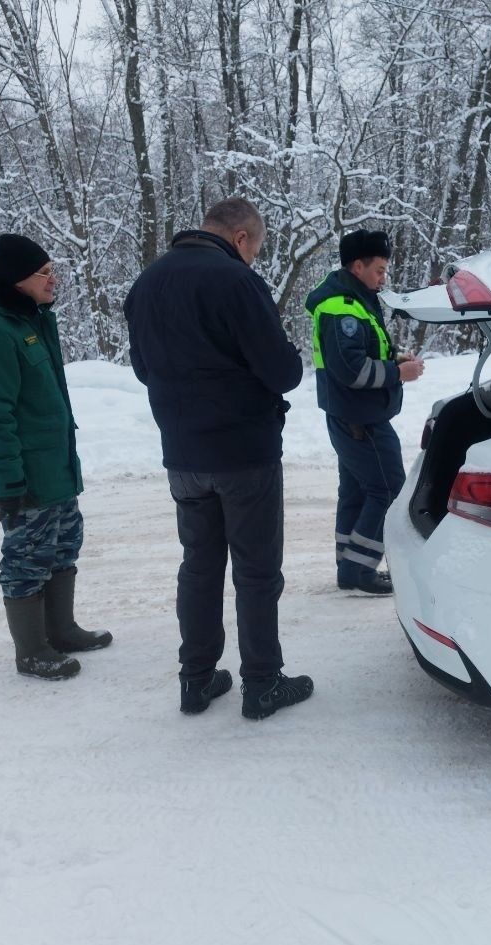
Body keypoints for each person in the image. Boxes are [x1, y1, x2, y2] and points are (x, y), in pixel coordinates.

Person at [124, 198, 313, 720]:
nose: (254, 260)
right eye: (256, 249)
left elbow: (143, 368)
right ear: (241, 239)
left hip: (183, 454)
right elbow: (282, 371)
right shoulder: (235, 281)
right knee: (256, 572)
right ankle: (262, 683)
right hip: (243, 452)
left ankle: (197, 679)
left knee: (199, 567)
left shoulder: (146, 283)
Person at [0, 233, 113, 680]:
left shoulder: (30, 322)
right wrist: (7, 485)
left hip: (54, 468)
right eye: (44, 273)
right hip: (25, 476)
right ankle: (31, 650)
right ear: (18, 280)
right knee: (27, 557)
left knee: (63, 544)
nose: (53, 279)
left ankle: (60, 630)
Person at [306, 229, 424, 595]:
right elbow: (351, 369)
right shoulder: (341, 308)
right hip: (361, 419)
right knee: (388, 490)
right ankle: (360, 570)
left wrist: (391, 358)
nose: (383, 278)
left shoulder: (353, 300)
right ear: (358, 266)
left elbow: (358, 357)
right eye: (380, 270)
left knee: (357, 490)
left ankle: (349, 565)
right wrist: (397, 372)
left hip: (352, 414)